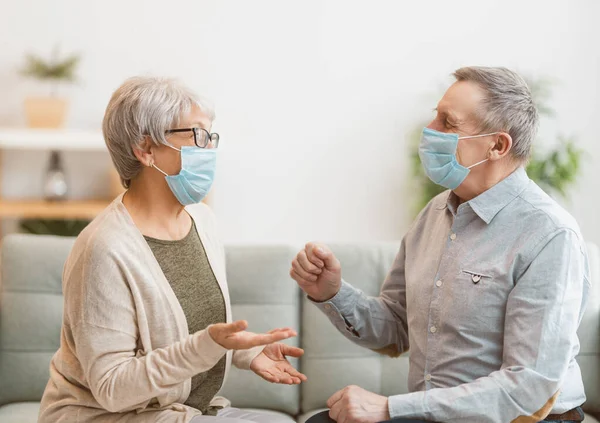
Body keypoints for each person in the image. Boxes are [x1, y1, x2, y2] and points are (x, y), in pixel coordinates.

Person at [291, 67, 589, 423]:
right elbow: (396, 329)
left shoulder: (550, 234)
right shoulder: (434, 214)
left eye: (448, 122)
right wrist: (332, 292)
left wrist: (390, 408)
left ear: (497, 145)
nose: (429, 130)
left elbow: (529, 387)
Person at [39, 76, 306, 423]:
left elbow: (193, 329)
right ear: (146, 149)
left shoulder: (202, 220)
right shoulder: (103, 248)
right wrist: (208, 346)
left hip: (185, 411)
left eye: (211, 136)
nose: (208, 149)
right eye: (197, 135)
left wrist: (248, 351)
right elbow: (112, 388)